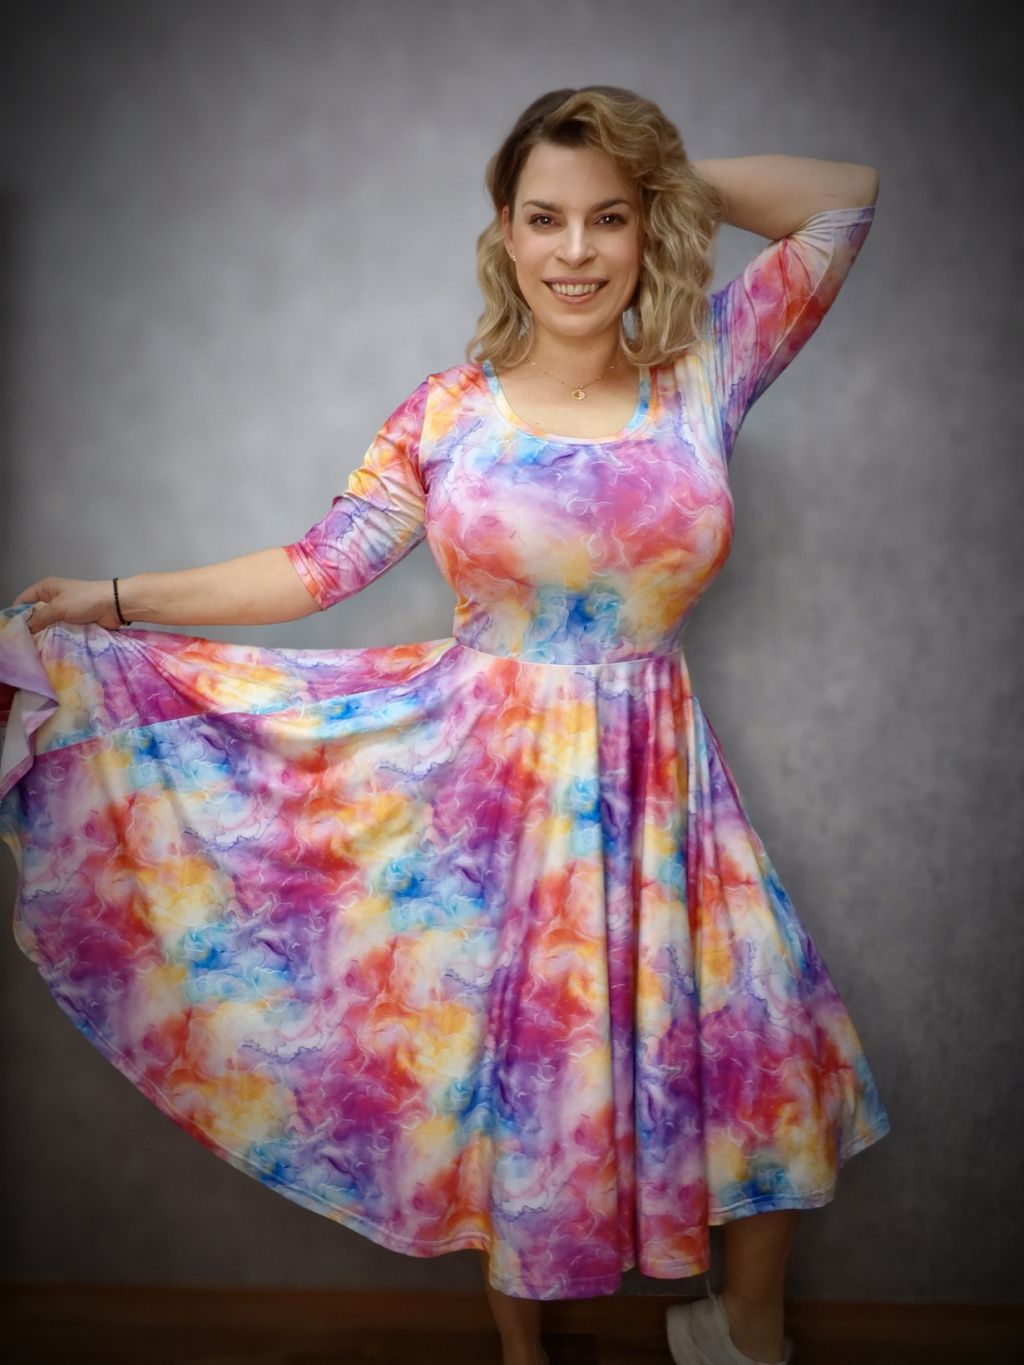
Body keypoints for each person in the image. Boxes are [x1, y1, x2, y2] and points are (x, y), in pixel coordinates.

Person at [0, 86, 890, 1365]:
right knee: (502, 1074)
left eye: (607, 219)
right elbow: (316, 565)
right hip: (477, 790)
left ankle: (743, 1333)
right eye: (545, 218)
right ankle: (522, 1354)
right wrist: (116, 598)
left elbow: (842, 198)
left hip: (657, 780)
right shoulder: (448, 411)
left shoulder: (705, 368)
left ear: (647, 229)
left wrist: (660, 174)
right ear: (505, 233)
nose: (574, 250)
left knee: (759, 1041)